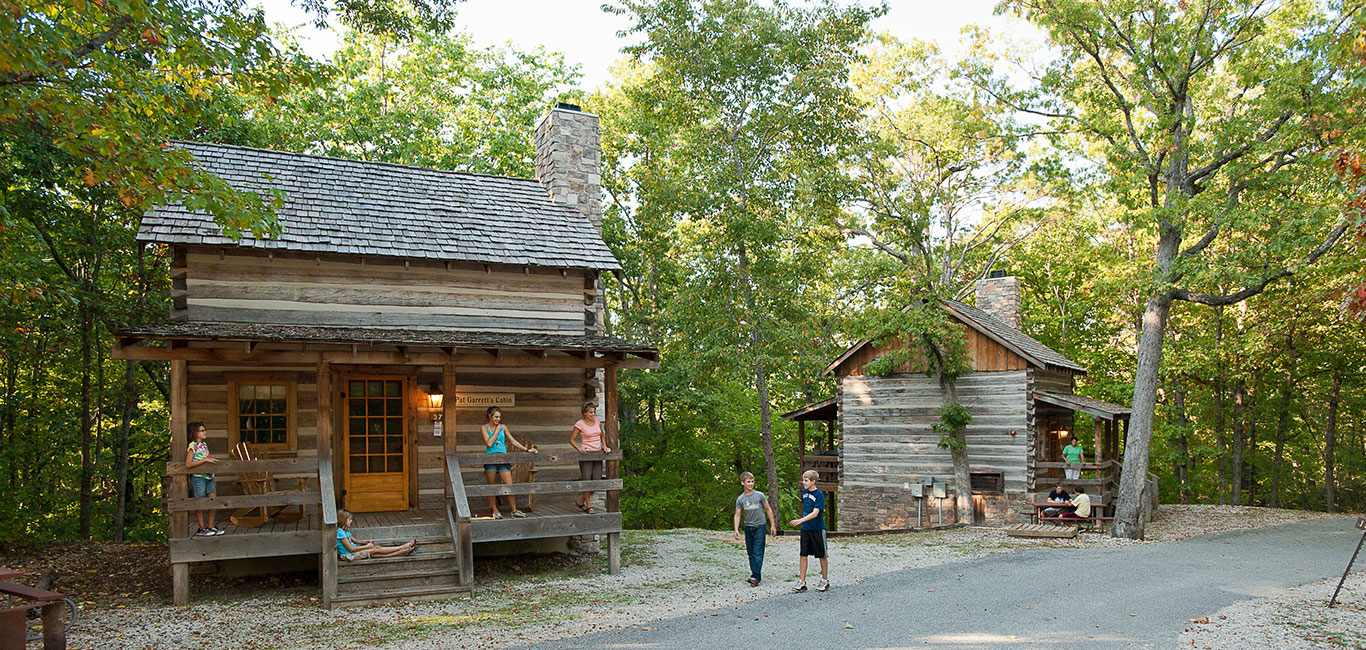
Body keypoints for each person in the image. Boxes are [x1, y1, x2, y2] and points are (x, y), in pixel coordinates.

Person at [482, 406, 536, 519]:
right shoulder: (484, 428)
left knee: (509, 484)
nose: (498, 419)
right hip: (490, 458)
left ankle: (514, 510)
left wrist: (526, 449)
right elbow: (489, 443)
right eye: (496, 417)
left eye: (499, 417)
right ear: (489, 416)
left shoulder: (503, 427)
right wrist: (496, 431)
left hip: (503, 458)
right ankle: (495, 510)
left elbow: (512, 440)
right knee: (490, 486)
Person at [732, 471, 776, 587]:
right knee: (751, 553)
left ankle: (756, 577)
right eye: (748, 482)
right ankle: (754, 574)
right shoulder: (740, 499)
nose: (751, 484)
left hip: (760, 527)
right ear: (743, 483)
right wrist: (736, 529)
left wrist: (772, 525)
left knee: (757, 552)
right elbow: (737, 515)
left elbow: (768, 509)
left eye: (752, 481)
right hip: (748, 527)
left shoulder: (759, 495)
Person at [789, 469, 829, 593]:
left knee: (821, 555)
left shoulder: (819, 495)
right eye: (803, 480)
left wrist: (800, 521)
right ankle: (802, 581)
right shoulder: (804, 493)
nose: (803, 483)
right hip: (806, 529)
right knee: (803, 554)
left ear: (813, 481)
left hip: (817, 528)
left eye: (806, 480)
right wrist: (802, 523)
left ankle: (824, 580)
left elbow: (815, 513)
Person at [569, 402, 610, 514]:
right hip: (586, 455)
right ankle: (589, 505)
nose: (593, 414)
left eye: (594, 412)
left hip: (597, 454)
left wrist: (605, 447)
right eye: (591, 412)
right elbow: (571, 439)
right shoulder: (580, 424)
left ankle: (581, 501)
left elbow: (602, 435)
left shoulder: (597, 421)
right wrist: (579, 449)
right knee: (587, 480)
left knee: (596, 480)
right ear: (585, 413)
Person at [185, 422, 223, 537]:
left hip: (208, 477)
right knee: (200, 502)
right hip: (198, 478)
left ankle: (210, 526)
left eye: (204, 430)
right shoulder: (193, 446)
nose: (204, 432)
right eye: (202, 430)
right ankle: (201, 528)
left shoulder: (204, 445)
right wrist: (205, 461)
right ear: (195, 433)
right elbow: (188, 464)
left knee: (213, 500)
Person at [336, 509, 416, 560]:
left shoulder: (345, 531)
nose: (351, 521)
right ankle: (403, 547)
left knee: (376, 554)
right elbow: (351, 549)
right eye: (349, 519)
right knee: (376, 549)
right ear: (343, 520)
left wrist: (365, 542)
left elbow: (354, 540)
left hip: (353, 553)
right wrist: (367, 547)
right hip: (349, 555)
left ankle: (402, 551)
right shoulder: (340, 533)